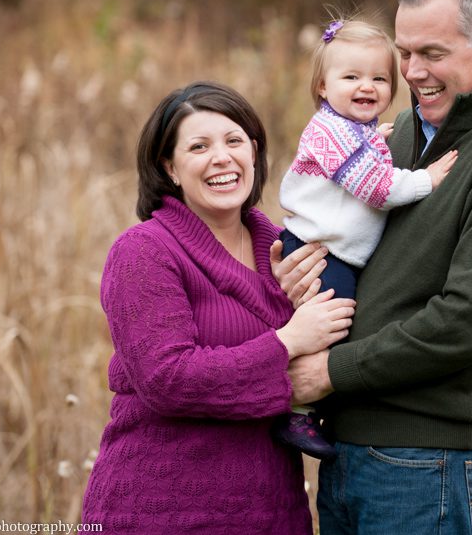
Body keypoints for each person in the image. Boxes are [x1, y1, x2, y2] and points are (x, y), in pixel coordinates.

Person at [274, 0, 472, 533]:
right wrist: (298, 272)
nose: (411, 73)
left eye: (432, 53)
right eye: (404, 54)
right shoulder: (400, 131)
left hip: (425, 463)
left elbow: (467, 322)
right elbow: (353, 244)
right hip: (346, 452)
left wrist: (331, 371)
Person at [81, 81, 356, 534]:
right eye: (199, 146)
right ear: (169, 166)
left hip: (271, 511)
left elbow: (326, 358)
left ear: (253, 151)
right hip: (161, 510)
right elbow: (166, 378)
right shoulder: (144, 252)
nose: (221, 158)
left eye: (233, 141)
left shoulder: (289, 250)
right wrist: (287, 342)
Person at [273, 18, 457, 459]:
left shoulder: (352, 129)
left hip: (334, 247)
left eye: (379, 78)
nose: (367, 86)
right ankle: (297, 410)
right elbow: (376, 187)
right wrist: (425, 181)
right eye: (351, 77)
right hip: (322, 251)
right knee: (329, 328)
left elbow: (360, 154)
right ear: (322, 86)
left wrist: (374, 139)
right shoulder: (332, 131)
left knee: (337, 323)